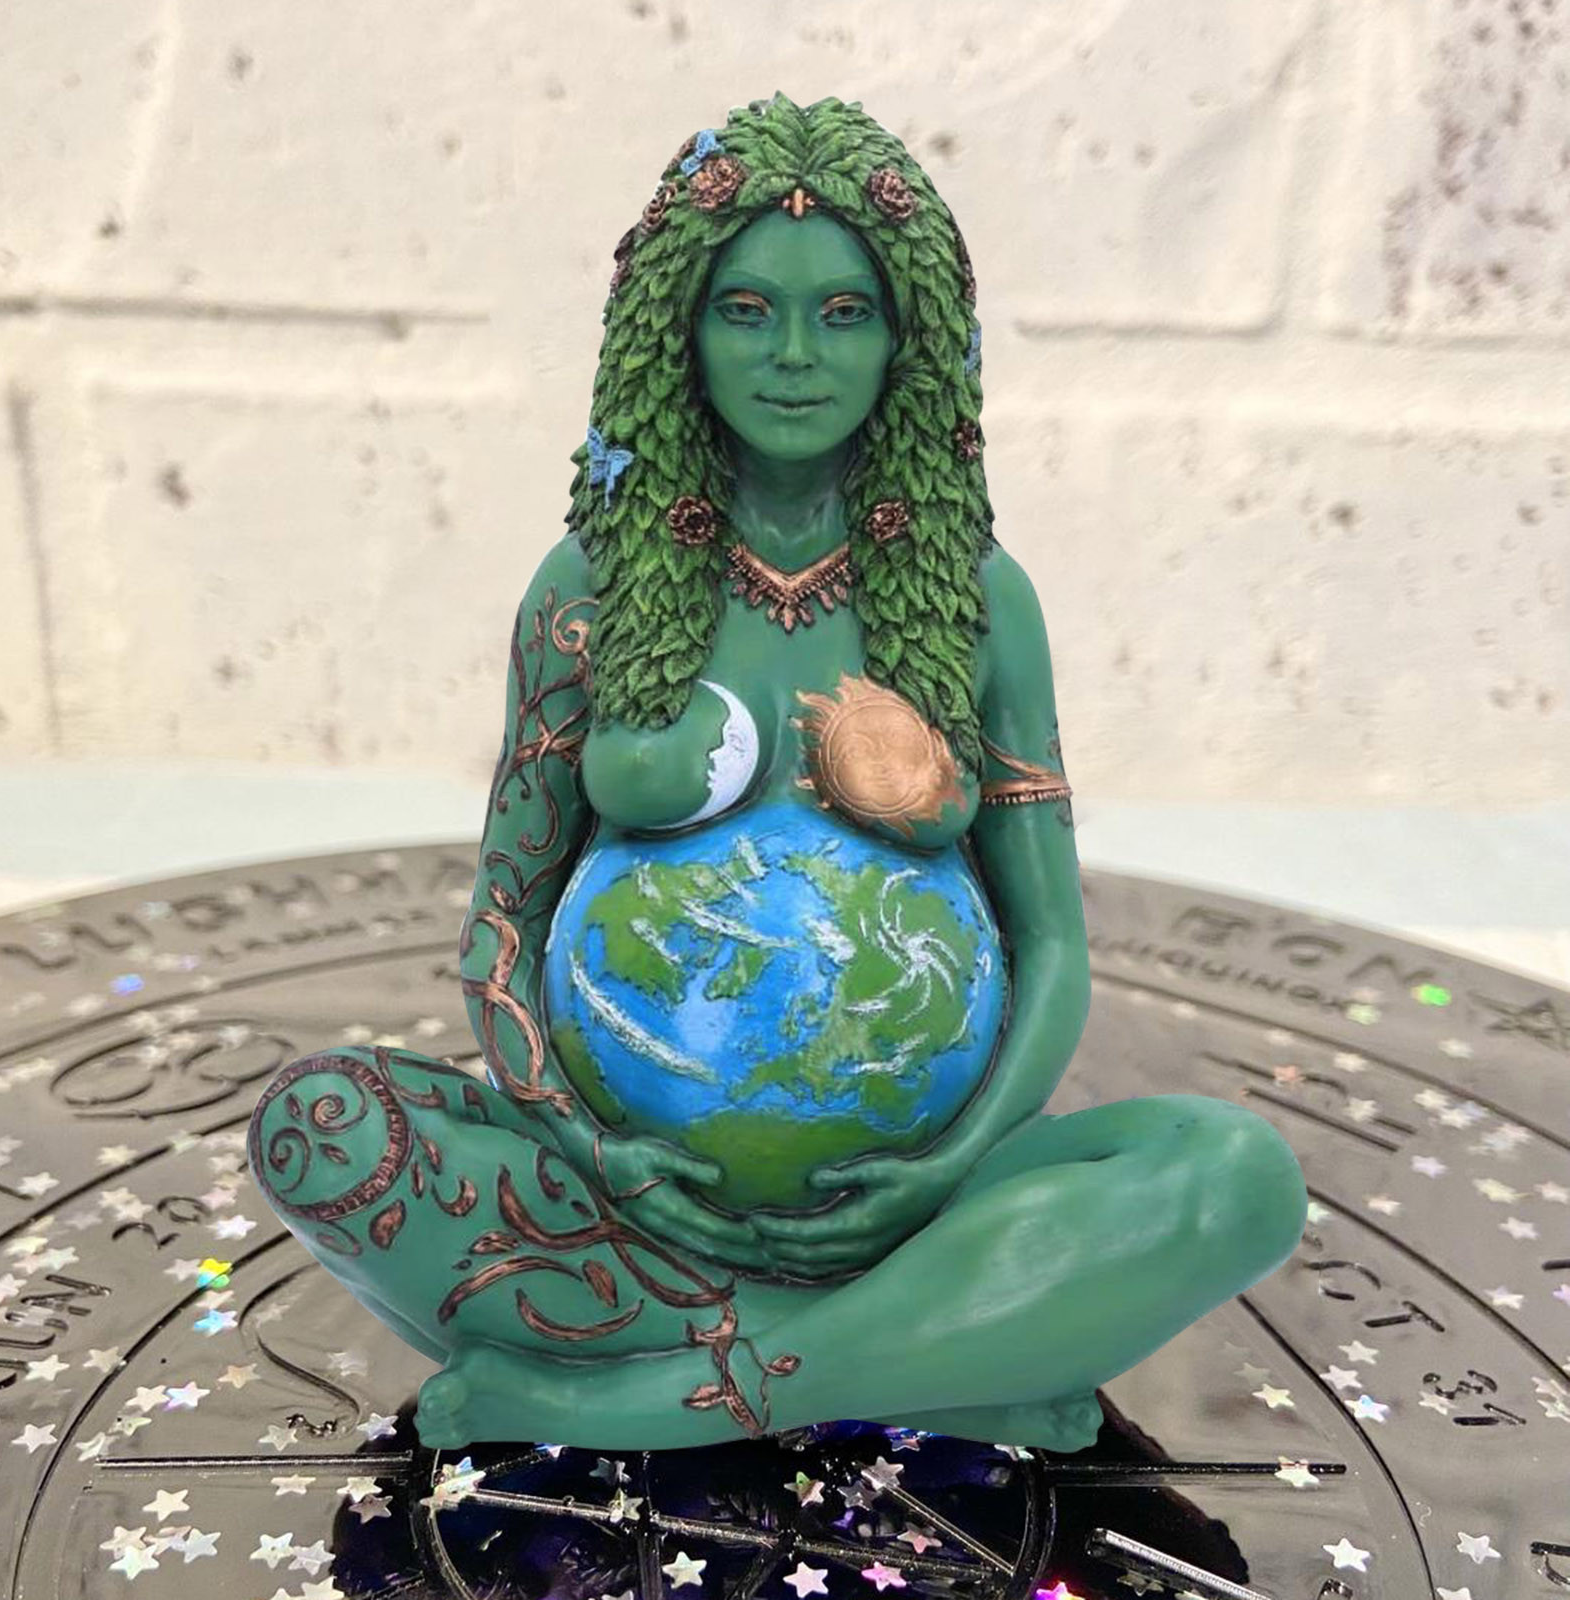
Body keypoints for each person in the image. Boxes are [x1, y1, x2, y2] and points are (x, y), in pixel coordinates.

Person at [247, 92, 1307, 1453]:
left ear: (909, 339)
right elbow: (500, 924)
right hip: (628, 1207)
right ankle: (945, 1352)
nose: (795, 356)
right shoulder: (586, 590)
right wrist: (588, 1143)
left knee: (1237, 1174)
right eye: (747, 311)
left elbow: (1051, 943)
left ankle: (665, 1397)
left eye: (844, 313)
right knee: (322, 1123)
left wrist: (951, 1163)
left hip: (924, 1213)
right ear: (675, 331)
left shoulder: (983, 601)